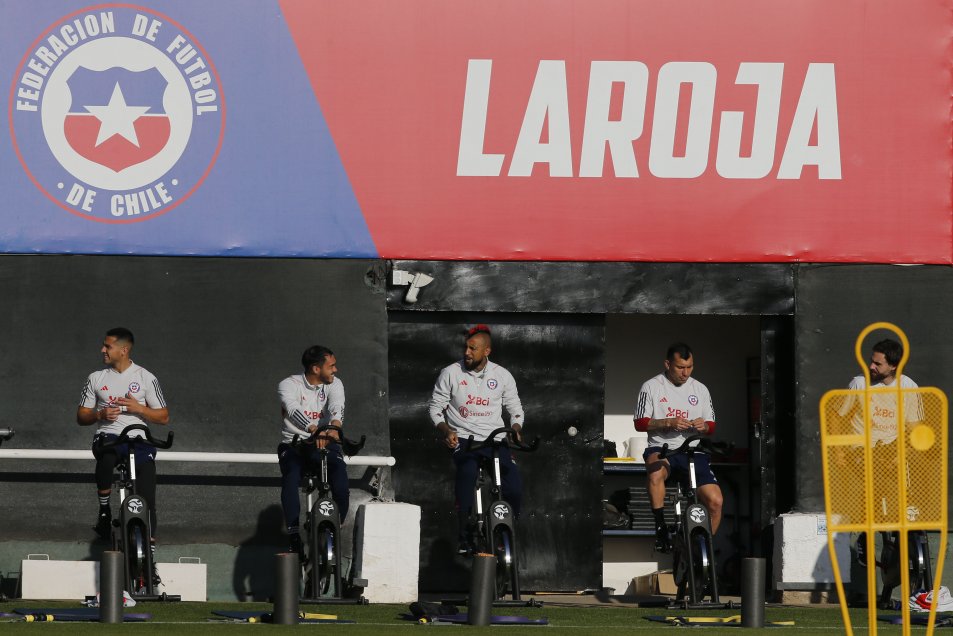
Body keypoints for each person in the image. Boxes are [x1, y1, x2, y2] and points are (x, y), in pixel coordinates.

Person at [76, 327, 170, 579]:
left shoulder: (146, 377)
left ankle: (149, 559)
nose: (102, 350)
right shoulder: (96, 377)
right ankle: (104, 511)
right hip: (109, 437)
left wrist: (140, 408)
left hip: (139, 439)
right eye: (104, 346)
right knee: (106, 458)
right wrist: (100, 414)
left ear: (123, 350)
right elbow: (82, 416)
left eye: (107, 346)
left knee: (148, 496)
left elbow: (163, 416)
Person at [429, 324, 526, 556]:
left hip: (495, 439)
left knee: (513, 485)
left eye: (473, 349)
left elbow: (515, 408)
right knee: (467, 473)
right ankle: (465, 536)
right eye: (466, 348)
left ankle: (506, 530)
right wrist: (446, 430)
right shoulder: (451, 373)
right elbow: (435, 408)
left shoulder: (502, 375)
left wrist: (515, 428)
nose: (467, 353)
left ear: (487, 351)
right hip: (464, 438)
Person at [840, 338, 923, 566]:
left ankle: (901, 551)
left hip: (892, 453)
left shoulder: (909, 386)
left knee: (905, 505)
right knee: (870, 496)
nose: (871, 367)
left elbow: (914, 428)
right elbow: (837, 418)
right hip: (861, 452)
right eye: (871, 361)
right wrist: (839, 453)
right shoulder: (859, 383)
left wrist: (901, 452)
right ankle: (865, 539)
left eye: (878, 364)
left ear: (893, 366)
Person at [633, 342, 721, 553]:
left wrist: (704, 426)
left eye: (690, 367)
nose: (685, 372)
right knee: (655, 475)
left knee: (715, 501)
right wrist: (667, 422)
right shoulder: (652, 386)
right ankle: (660, 526)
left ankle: (702, 551)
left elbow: (712, 426)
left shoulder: (700, 389)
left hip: (693, 451)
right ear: (667, 364)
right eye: (680, 367)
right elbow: (639, 423)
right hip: (663, 449)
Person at [277, 345, 348, 557]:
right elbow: (292, 410)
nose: (335, 370)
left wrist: (334, 427)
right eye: (331, 366)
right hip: (295, 443)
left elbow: (338, 405)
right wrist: (314, 429)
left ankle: (335, 530)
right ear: (316, 369)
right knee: (291, 476)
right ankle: (294, 535)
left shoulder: (335, 384)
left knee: (341, 484)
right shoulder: (288, 384)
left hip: (325, 442)